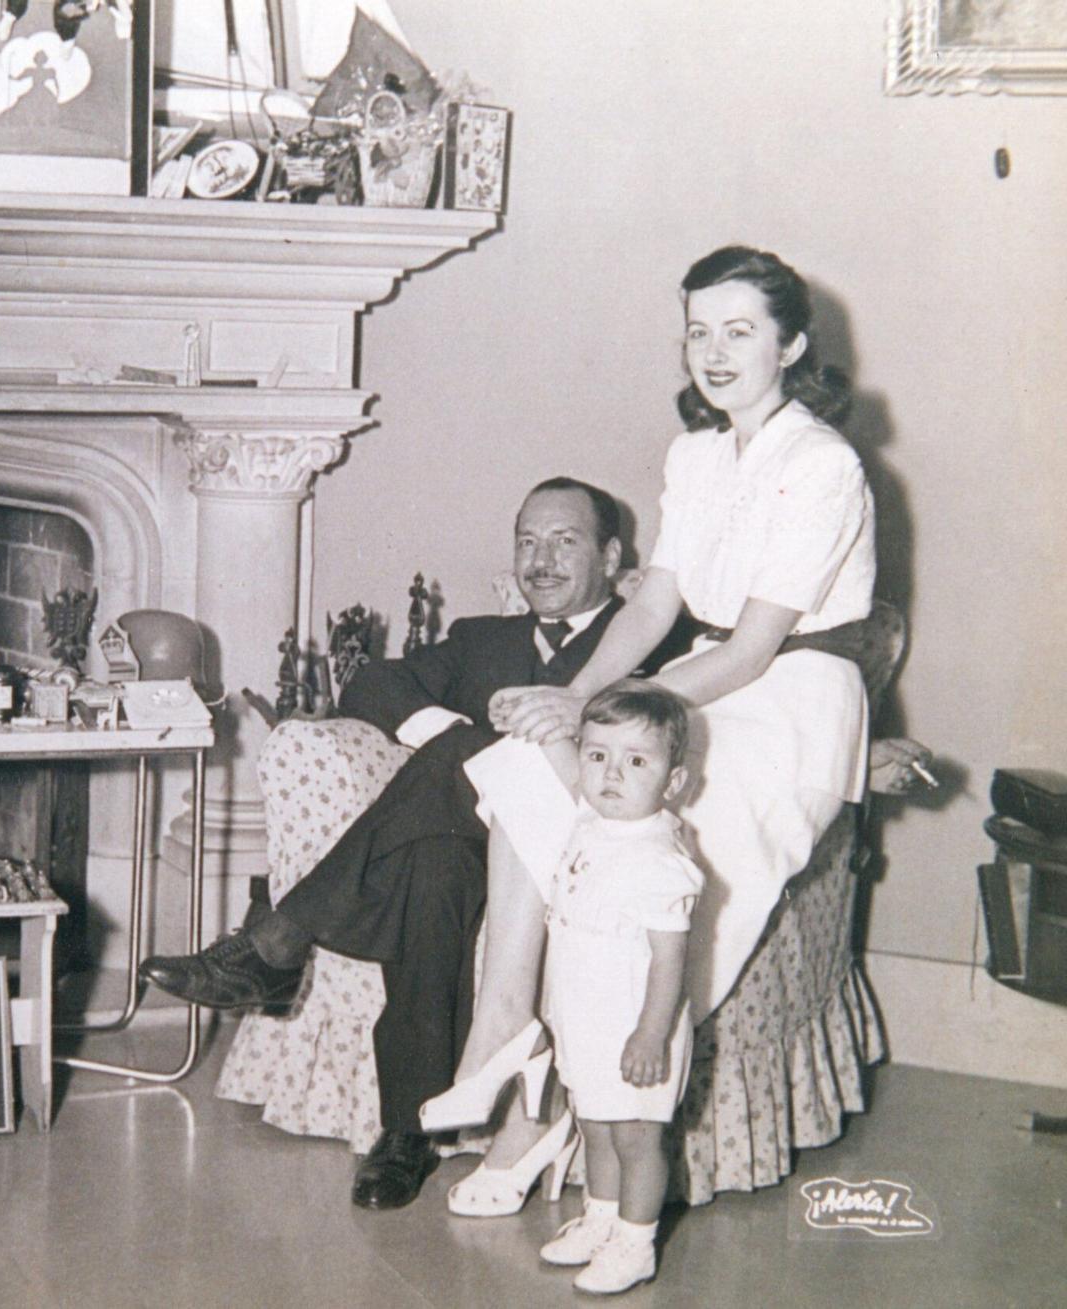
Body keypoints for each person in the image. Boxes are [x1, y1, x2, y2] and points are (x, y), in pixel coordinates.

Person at [424, 244, 876, 1220]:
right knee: (527, 772)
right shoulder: (695, 453)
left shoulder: (821, 463)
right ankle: (504, 1035)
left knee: (642, 863)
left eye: (738, 331)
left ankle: (560, 1108)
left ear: (790, 344)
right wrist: (568, 694)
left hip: (786, 704)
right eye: (696, 330)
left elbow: (752, 651)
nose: (711, 352)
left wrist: (601, 713)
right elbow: (650, 604)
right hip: (694, 680)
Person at [141, 476, 690, 1210]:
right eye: (526, 541)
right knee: (428, 864)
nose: (542, 560)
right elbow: (370, 682)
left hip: (586, 849)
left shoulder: (648, 638)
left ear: (612, 553)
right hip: (473, 842)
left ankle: (279, 938)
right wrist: (451, 738)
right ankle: (406, 1130)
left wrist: (475, 747)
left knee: (474, 754)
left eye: (564, 541)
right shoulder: (480, 638)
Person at [531, 683, 702, 1295]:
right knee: (594, 1124)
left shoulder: (659, 857)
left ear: (673, 780)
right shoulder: (593, 824)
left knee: (636, 1136)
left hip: (635, 1025)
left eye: (636, 761)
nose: (611, 773)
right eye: (598, 755)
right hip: (584, 1017)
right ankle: (601, 1218)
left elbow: (669, 959)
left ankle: (636, 1241)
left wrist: (652, 1033)